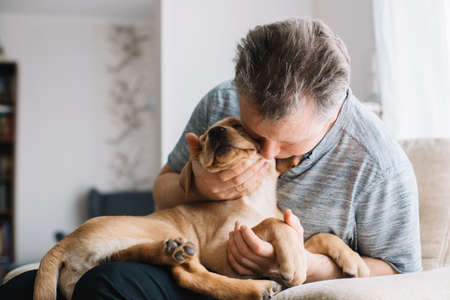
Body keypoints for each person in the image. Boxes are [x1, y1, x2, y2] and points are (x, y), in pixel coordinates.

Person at [0, 18, 421, 299]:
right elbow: (163, 190)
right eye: (254, 134)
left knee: (107, 286)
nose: (267, 156)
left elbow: (405, 280)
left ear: (334, 112)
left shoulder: (379, 167)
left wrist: (307, 264)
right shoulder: (221, 103)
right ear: (240, 91)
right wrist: (198, 183)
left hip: (277, 284)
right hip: (190, 256)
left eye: (290, 146)